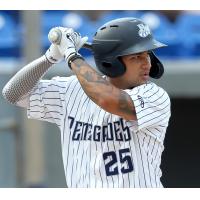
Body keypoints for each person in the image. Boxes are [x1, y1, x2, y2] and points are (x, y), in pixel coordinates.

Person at [2, 17, 171, 188]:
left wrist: (72, 56)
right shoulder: (70, 89)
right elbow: (13, 94)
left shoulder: (155, 96)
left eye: (147, 54)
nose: (146, 63)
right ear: (111, 62)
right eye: (136, 56)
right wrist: (50, 57)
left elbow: (107, 98)